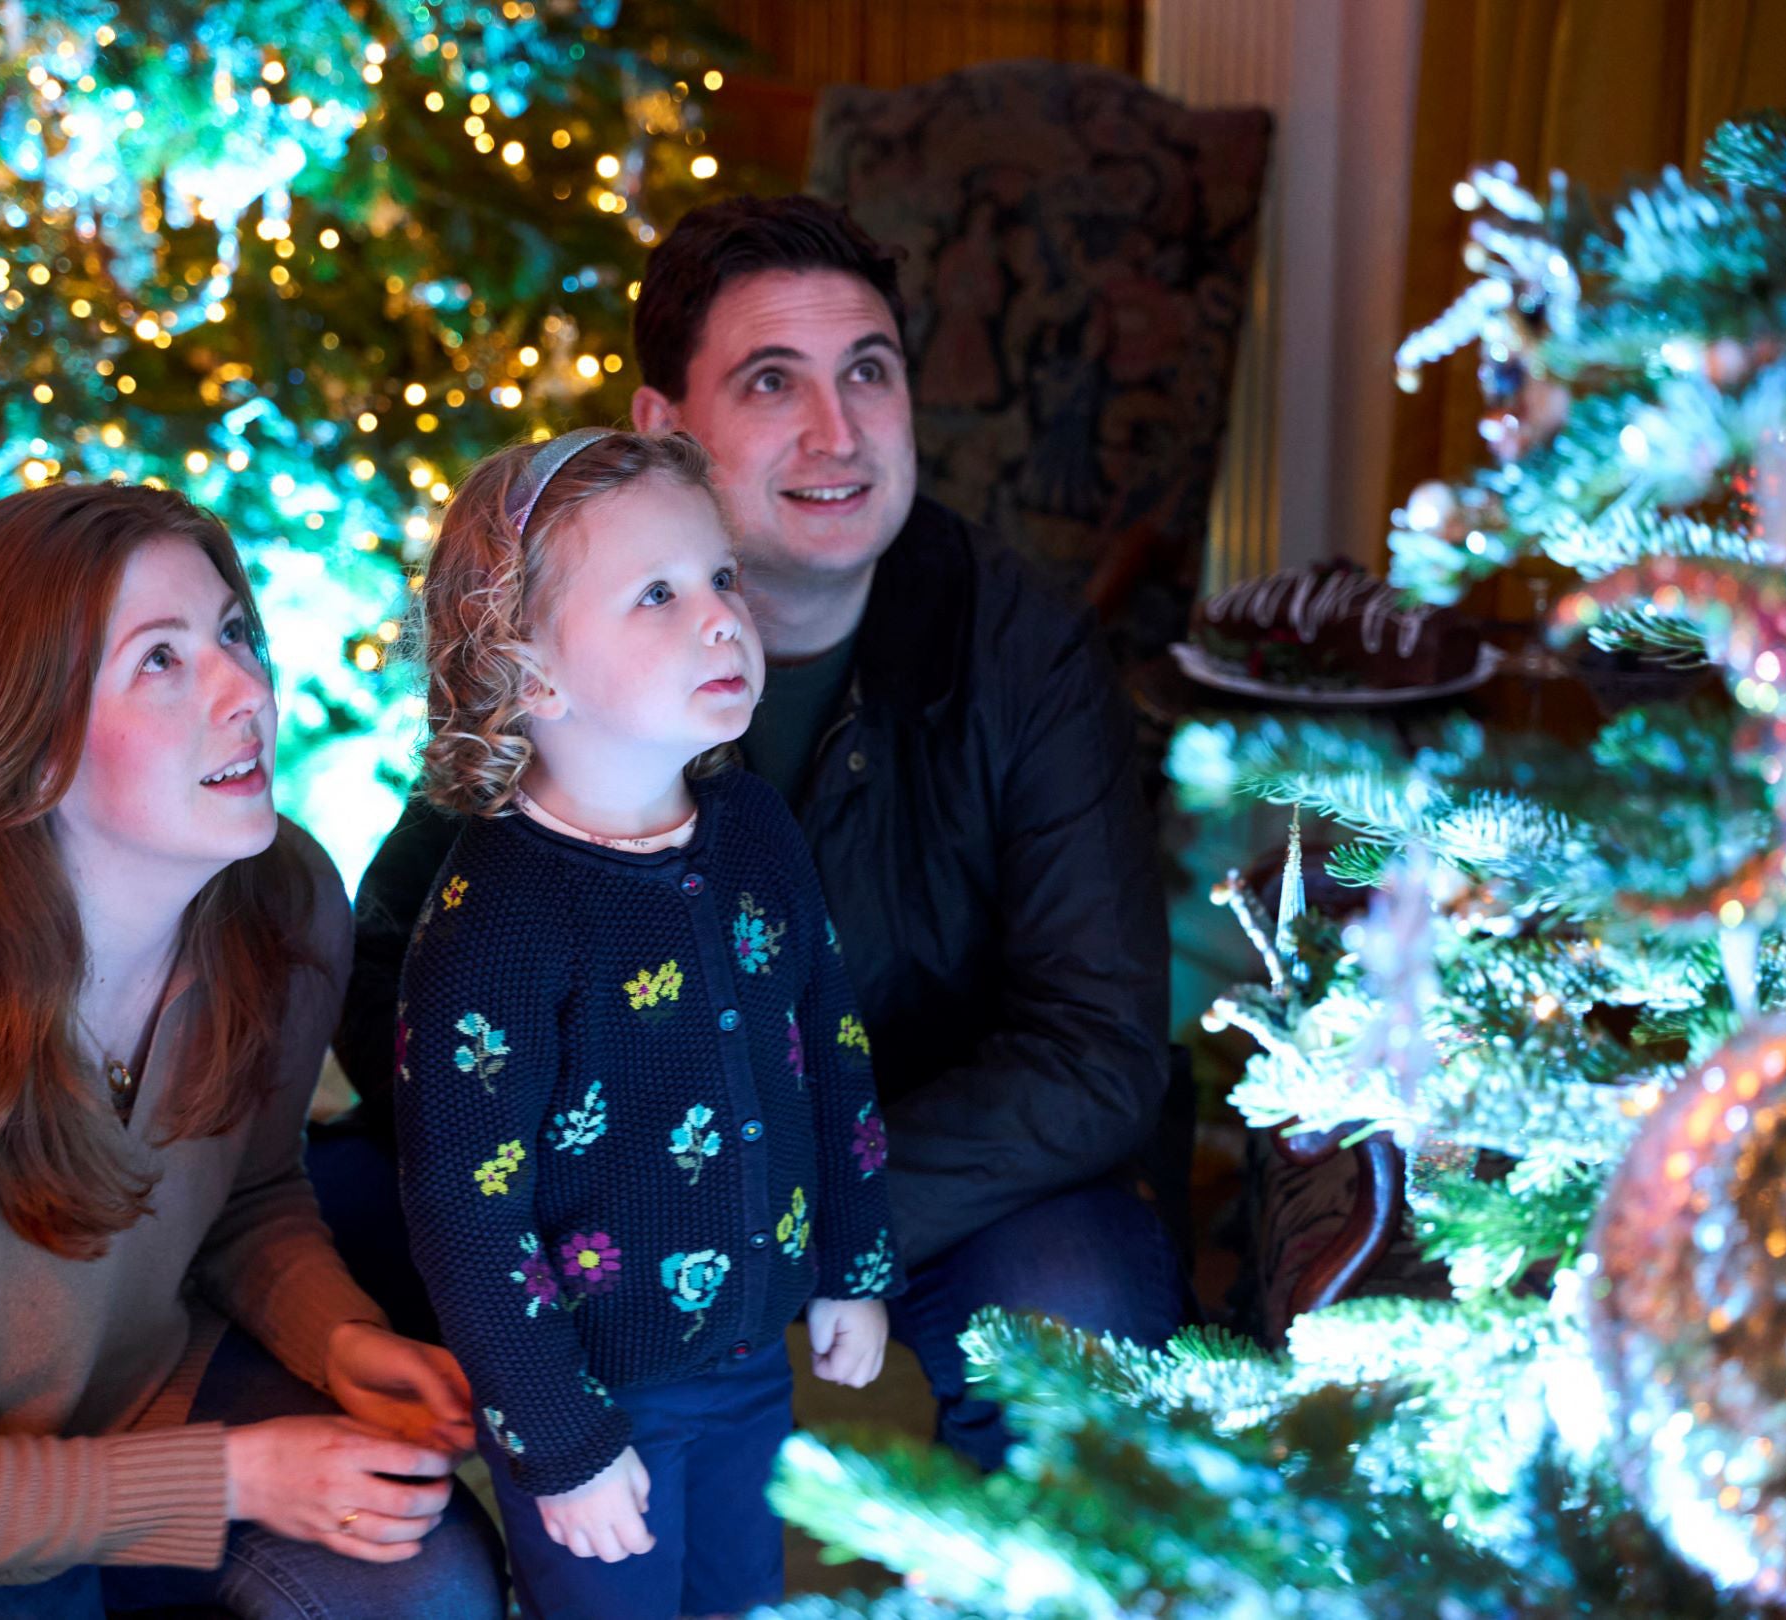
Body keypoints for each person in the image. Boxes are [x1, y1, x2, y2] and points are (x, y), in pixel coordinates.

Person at [328, 195, 1180, 1472]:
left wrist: (808, 1220)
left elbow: (1100, 1050)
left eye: (870, 373)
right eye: (773, 380)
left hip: (915, 1173)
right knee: (334, 1215)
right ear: (666, 428)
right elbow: (398, 969)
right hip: (610, 1194)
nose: (837, 433)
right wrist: (620, 1200)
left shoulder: (1020, 647)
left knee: (1092, 1299)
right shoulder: (563, 628)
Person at [0, 483, 504, 1620]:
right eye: (159, 661)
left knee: (430, 1580)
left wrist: (340, 1337)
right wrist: (241, 1476)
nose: (244, 689)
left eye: (233, 634)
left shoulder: (285, 898)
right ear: (23, 741)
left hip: (135, 1387)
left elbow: (249, 1194)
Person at [390, 427, 898, 1618]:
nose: (722, 617)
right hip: (594, 1391)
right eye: (656, 595)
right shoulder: (495, 923)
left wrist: (854, 1265)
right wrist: (558, 1438)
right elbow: (463, 1207)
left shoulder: (756, 830)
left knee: (744, 1599)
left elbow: (829, 1047)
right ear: (529, 672)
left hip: (752, 1365)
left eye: (720, 578)